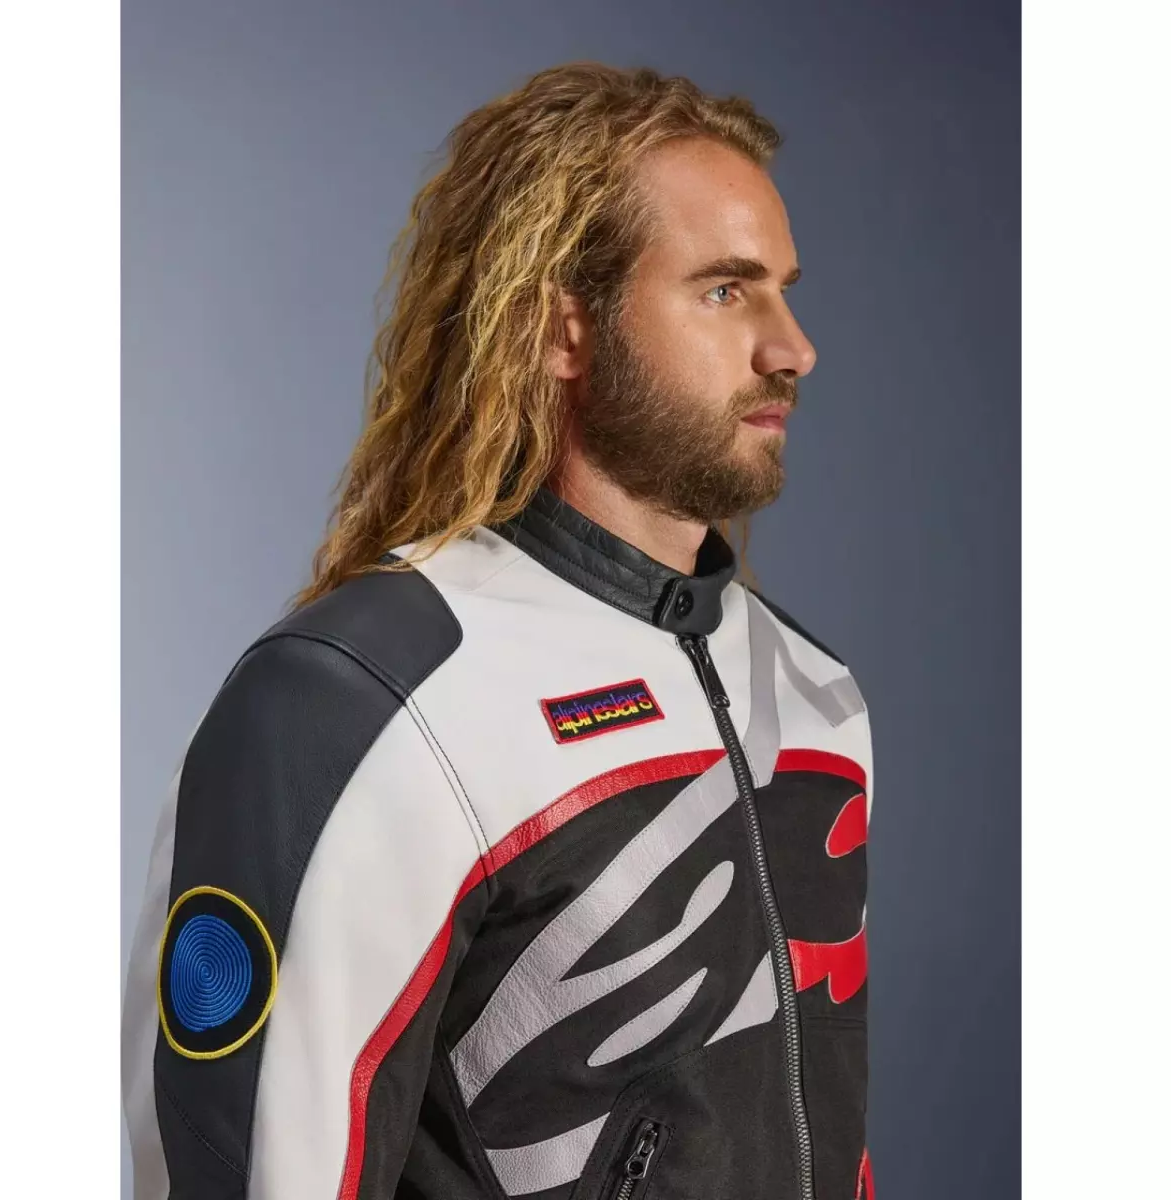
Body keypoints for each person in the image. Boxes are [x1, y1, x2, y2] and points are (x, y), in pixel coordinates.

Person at [122, 61, 876, 1200]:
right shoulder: (360, 702)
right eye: (726, 291)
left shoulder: (813, 691)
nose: (792, 347)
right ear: (566, 329)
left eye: (783, 289)